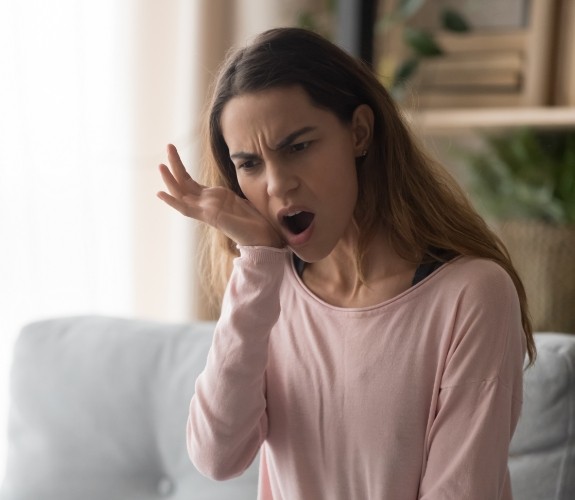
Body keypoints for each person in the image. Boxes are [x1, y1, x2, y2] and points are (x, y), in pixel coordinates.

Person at [157, 27, 535, 500]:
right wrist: (256, 266)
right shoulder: (268, 290)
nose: (277, 185)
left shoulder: (472, 294)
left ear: (358, 132)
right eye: (249, 164)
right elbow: (217, 456)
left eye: (297, 147)